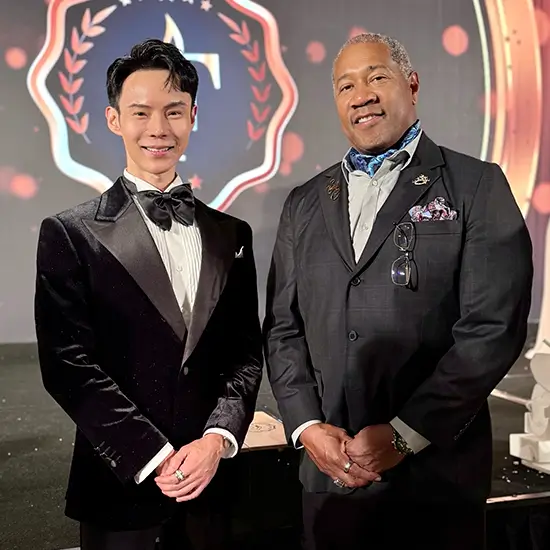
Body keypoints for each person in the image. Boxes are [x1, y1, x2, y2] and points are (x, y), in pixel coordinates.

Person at [263, 32, 533, 550]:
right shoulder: (303, 202)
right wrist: (307, 427)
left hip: (437, 482)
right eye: (346, 86)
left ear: (412, 85)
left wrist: (406, 434)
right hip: (330, 482)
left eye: (376, 77)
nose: (361, 94)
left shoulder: (476, 186)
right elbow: (283, 328)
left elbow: (491, 329)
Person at [34, 38, 263, 550]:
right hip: (120, 491)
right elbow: (66, 364)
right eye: (141, 112)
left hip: (213, 486)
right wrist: (153, 456)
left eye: (174, 111)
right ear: (114, 119)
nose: (158, 128)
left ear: (193, 116)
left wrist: (217, 439)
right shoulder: (71, 233)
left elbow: (245, 354)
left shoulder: (233, 235)